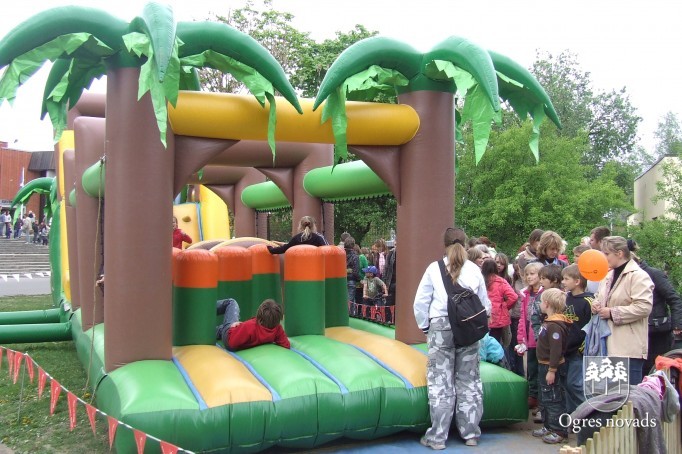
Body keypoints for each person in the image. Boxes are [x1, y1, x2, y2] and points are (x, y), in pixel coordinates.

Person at [413, 227, 490, 449]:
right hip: (469, 329)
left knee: (440, 381)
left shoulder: (434, 268)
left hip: (441, 327)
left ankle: (437, 437)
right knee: (469, 380)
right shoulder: (474, 270)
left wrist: (426, 327)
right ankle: (470, 433)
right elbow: (484, 304)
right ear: (465, 244)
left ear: (444, 245)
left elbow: (420, 302)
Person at [591, 236, 654, 385]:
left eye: (606, 254)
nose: (603, 258)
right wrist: (595, 304)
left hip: (628, 348)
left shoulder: (638, 276)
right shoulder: (608, 275)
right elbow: (599, 296)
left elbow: (644, 307)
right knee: (607, 395)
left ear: (619, 253)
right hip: (604, 346)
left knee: (627, 395)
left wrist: (612, 313)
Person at [628, 240, 682, 379]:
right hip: (636, 333)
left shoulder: (653, 274)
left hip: (657, 333)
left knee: (656, 371)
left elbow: (674, 298)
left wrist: (677, 325)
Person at [531, 288, 572, 444]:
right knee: (546, 398)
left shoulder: (554, 325)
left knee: (554, 398)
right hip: (543, 365)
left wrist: (552, 370)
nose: (540, 304)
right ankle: (548, 426)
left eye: (541, 302)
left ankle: (559, 430)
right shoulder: (548, 322)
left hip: (550, 367)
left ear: (547, 304)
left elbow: (556, 350)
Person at [561, 264, 594, 413]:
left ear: (577, 281)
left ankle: (591, 412)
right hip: (565, 349)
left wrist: (583, 347)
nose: (563, 282)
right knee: (566, 385)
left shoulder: (588, 301)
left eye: (566, 279)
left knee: (575, 384)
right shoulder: (565, 298)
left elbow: (593, 326)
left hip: (579, 351)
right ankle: (572, 417)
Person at [516, 261, 543, 415]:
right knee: (531, 368)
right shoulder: (525, 294)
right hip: (529, 336)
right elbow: (522, 317)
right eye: (527, 274)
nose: (529, 277)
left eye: (532, 274)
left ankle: (541, 399)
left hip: (540, 338)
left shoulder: (544, 293)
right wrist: (521, 337)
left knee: (541, 369)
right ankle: (533, 395)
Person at [216, 298, 290, 352]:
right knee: (221, 329)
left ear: (259, 313)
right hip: (238, 336)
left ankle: (209, 308)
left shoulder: (250, 326)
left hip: (228, 338)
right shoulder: (277, 329)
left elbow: (232, 342)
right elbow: (286, 344)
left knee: (231, 302)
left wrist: (232, 327)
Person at [481, 259, 518, 348]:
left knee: (482, 344)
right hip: (497, 317)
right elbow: (513, 296)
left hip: (482, 315)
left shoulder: (479, 280)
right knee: (495, 343)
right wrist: (504, 306)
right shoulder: (500, 281)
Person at [344, 237, 361, 311]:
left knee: (344, 299)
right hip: (351, 280)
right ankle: (349, 315)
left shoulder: (341, 254)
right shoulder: (355, 256)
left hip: (342, 280)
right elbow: (356, 271)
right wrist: (359, 279)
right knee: (350, 300)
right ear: (353, 245)